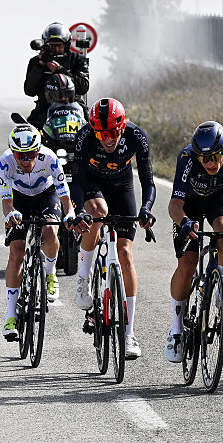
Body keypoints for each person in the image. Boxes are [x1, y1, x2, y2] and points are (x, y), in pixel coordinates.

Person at [65, 97, 156, 359]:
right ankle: (84, 277)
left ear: (122, 126)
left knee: (125, 254)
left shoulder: (136, 136)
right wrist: (80, 209)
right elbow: (78, 179)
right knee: (98, 213)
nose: (107, 139)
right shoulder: (85, 136)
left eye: (113, 132)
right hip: (92, 184)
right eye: (101, 133)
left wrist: (146, 208)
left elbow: (148, 182)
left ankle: (128, 333)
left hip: (122, 186)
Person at [163, 121, 223, 363]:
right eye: (205, 159)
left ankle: (221, 290)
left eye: (215, 156)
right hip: (191, 204)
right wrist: (184, 222)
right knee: (187, 264)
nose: (211, 163)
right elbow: (174, 205)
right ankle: (175, 330)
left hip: (219, 197)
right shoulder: (186, 158)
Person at [0, 124, 69, 341]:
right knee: (17, 252)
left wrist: (70, 215)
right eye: (21, 156)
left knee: (49, 231)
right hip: (19, 199)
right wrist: (10, 215)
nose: (26, 161)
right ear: (13, 152)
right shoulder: (6, 162)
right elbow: (7, 202)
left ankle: (50, 274)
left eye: (30, 155)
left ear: (38, 150)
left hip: (46, 195)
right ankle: (10, 317)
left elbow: (65, 198)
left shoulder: (50, 158)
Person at [24, 22, 89, 129]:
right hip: (45, 110)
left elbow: (83, 87)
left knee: (91, 129)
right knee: (29, 130)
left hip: (74, 108)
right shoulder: (36, 62)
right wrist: (39, 66)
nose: (56, 49)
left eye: (59, 46)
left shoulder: (77, 59)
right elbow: (29, 91)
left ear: (66, 45)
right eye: (52, 46)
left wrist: (60, 70)